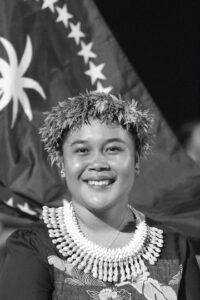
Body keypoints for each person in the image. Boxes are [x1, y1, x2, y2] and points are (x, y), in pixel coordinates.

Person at [0, 91, 200, 300]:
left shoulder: (174, 246)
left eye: (113, 149)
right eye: (82, 150)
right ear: (61, 162)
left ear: (137, 160)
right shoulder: (33, 245)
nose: (98, 164)